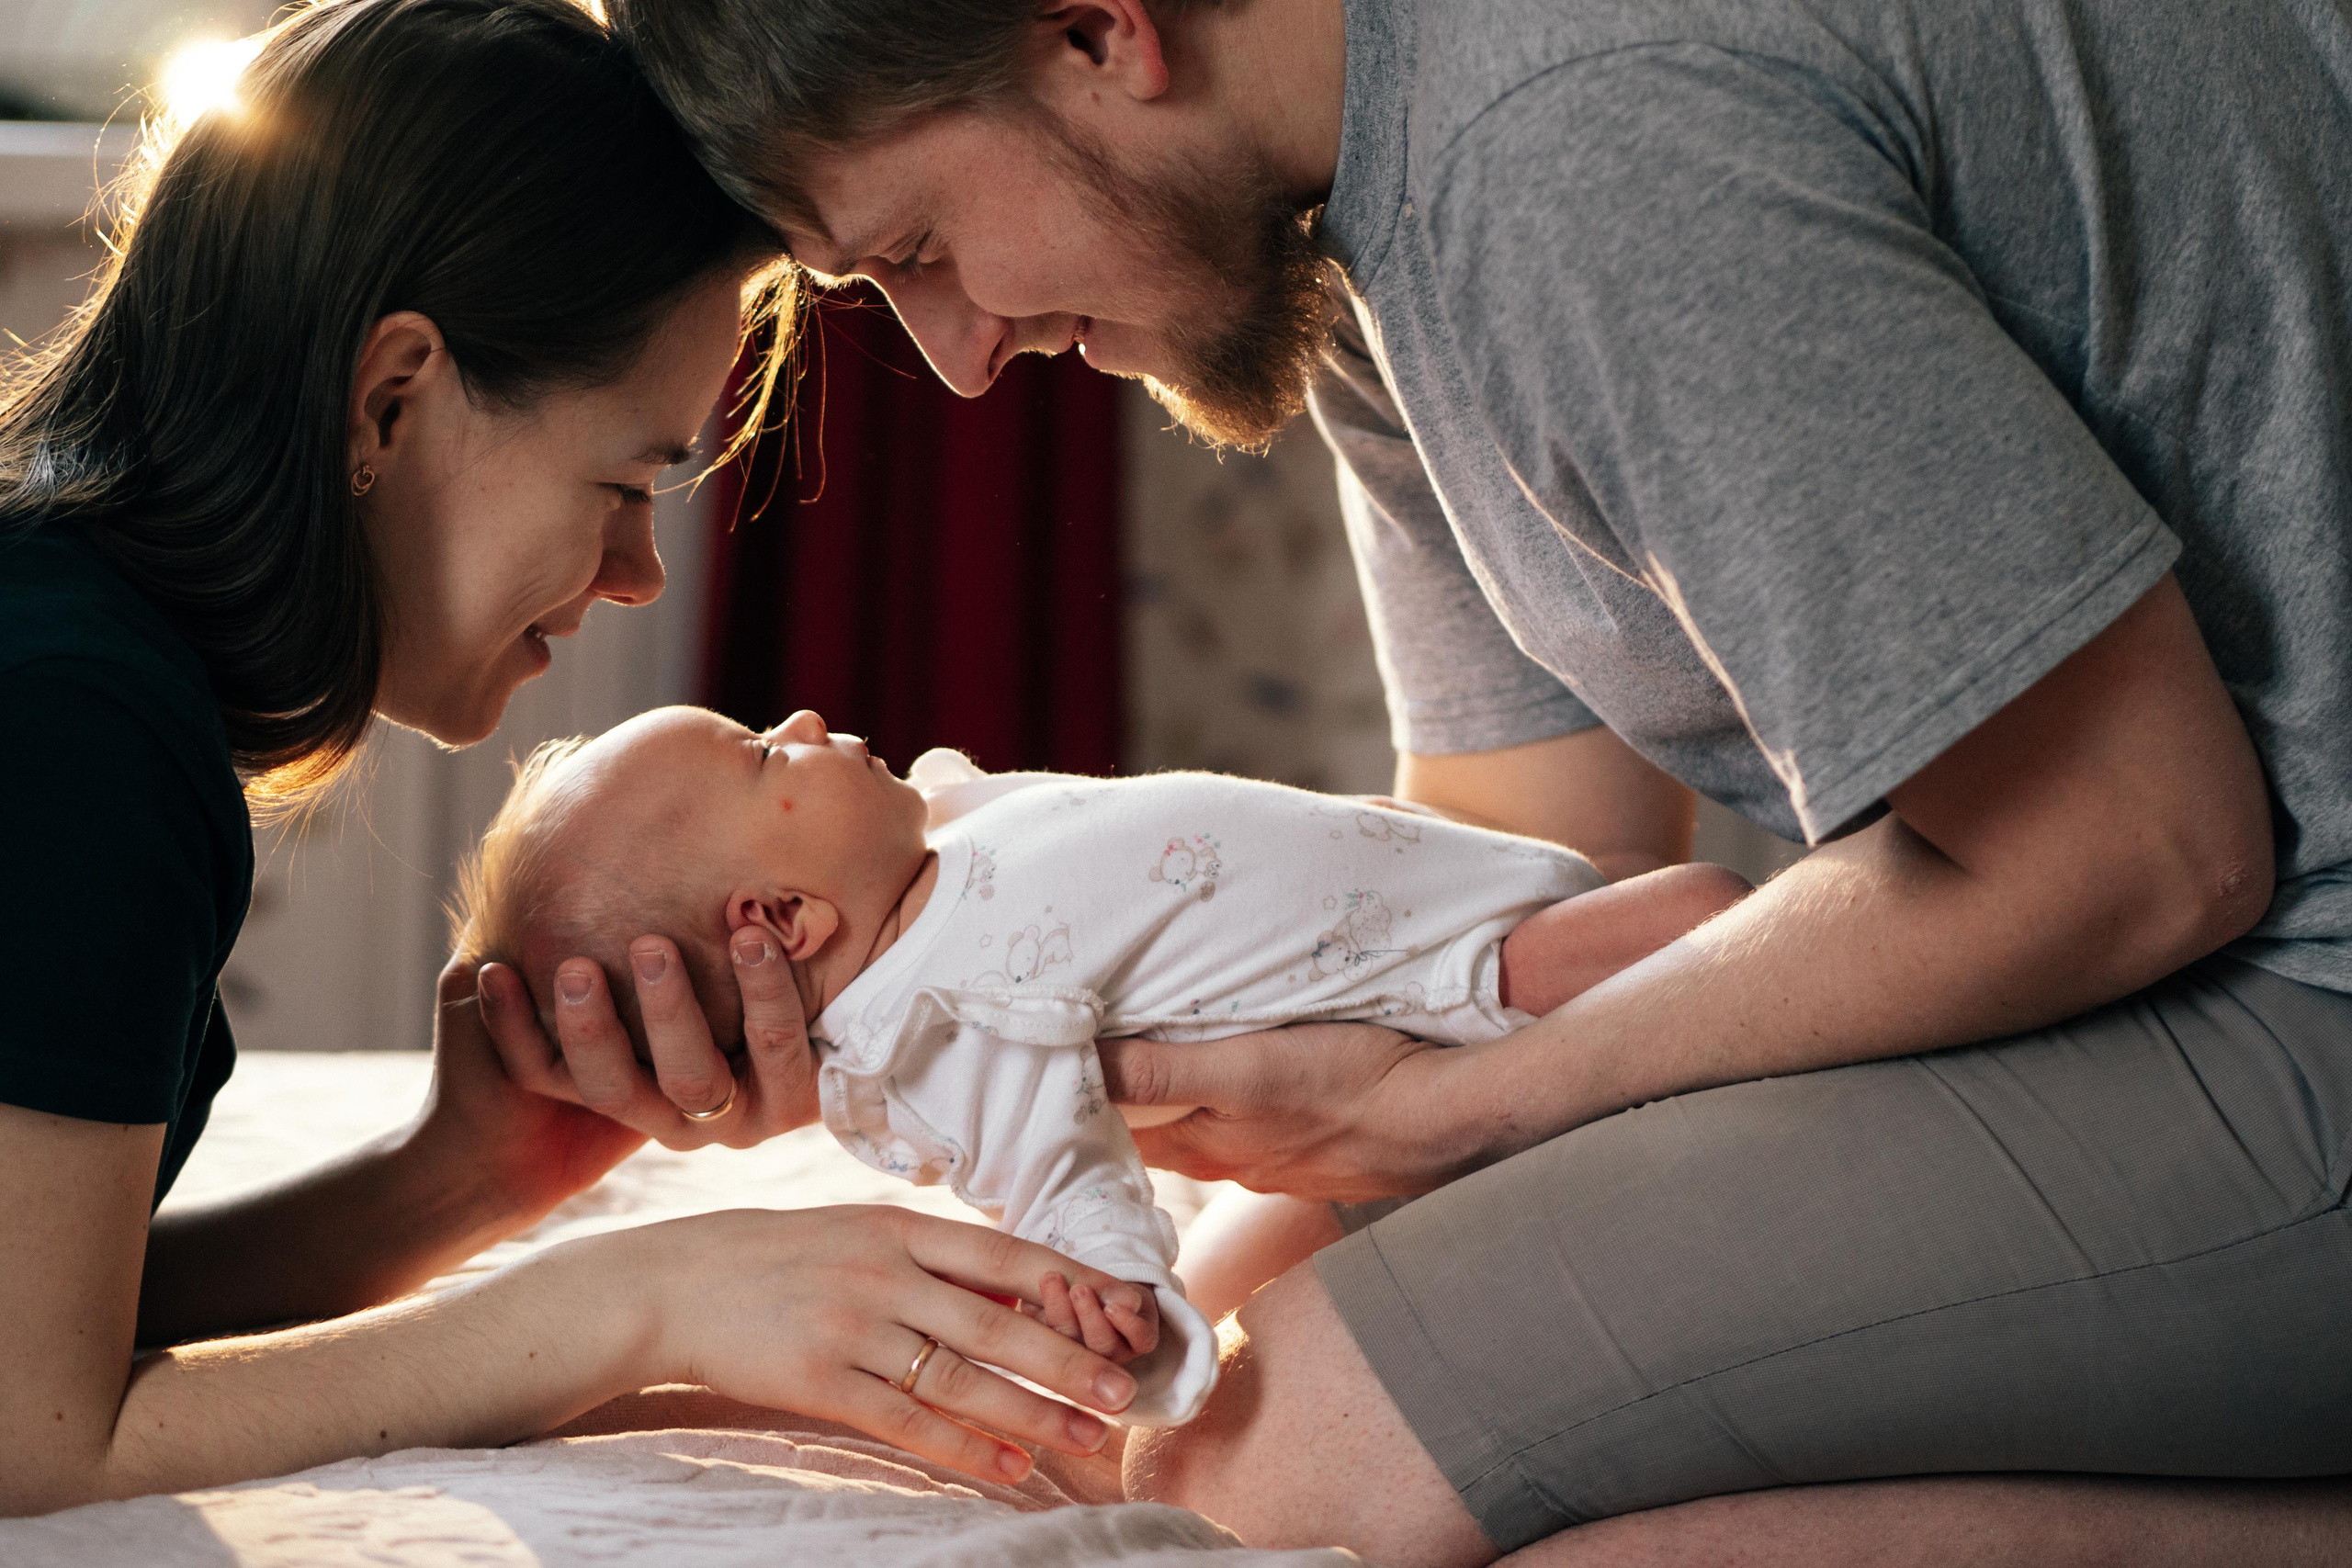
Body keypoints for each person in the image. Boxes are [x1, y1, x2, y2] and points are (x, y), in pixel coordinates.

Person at [579, 0, 2352, 1561]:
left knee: (1275, 1474)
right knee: (1172, 1400)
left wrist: (1461, 1121)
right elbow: (1518, 863)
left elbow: (2142, 849)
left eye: (921, 245)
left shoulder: (1572, 150)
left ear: (1099, 31)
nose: (958, 359)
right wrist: (887, 1027)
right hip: (2193, 954)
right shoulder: (1353, 224)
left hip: (2290, 973)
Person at [0, 0, 1146, 1517]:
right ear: (389, 399)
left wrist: (470, 1175)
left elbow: (58, 1337)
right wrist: (637, 1299)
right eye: (622, 481)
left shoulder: (85, 663)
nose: (637, 574)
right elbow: (32, 1440)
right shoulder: (77, 724)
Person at [446, 702, 1749, 1422]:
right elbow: (1054, 1165)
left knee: (1680, 934)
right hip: (1436, 985)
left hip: (1440, 887)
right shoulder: (945, 1027)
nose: (804, 713)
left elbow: (989, 804)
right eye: (765, 753)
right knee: (1699, 929)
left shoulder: (928, 843)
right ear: (783, 922)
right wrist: (1121, 1298)